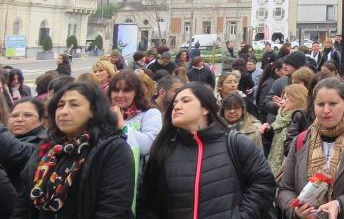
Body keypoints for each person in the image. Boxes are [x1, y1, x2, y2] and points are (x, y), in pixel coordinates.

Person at [137, 82, 276, 219]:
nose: (177, 107)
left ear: (205, 108)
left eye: (185, 101)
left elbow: (263, 183)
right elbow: (147, 203)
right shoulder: (164, 151)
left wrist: (243, 215)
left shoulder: (236, 143)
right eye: (174, 104)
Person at [12, 82, 135, 219]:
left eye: (74, 105)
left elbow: (112, 209)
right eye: (60, 105)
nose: (64, 111)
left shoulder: (113, 149)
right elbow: (24, 204)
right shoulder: (47, 147)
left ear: (93, 111)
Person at [276, 78, 344, 219]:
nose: (326, 110)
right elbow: (285, 189)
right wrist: (295, 211)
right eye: (320, 104)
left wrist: (340, 204)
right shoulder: (301, 140)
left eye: (333, 104)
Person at [108, 70, 163, 161]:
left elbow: (148, 147)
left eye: (126, 91)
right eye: (116, 90)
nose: (120, 95)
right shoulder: (103, 112)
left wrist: (121, 125)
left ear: (136, 92)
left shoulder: (150, 113)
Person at [269, 83, 310, 175]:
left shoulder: (300, 118)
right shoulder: (281, 118)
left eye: (285, 98)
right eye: (282, 98)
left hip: (291, 171)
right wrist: (267, 132)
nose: (281, 102)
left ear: (297, 99)